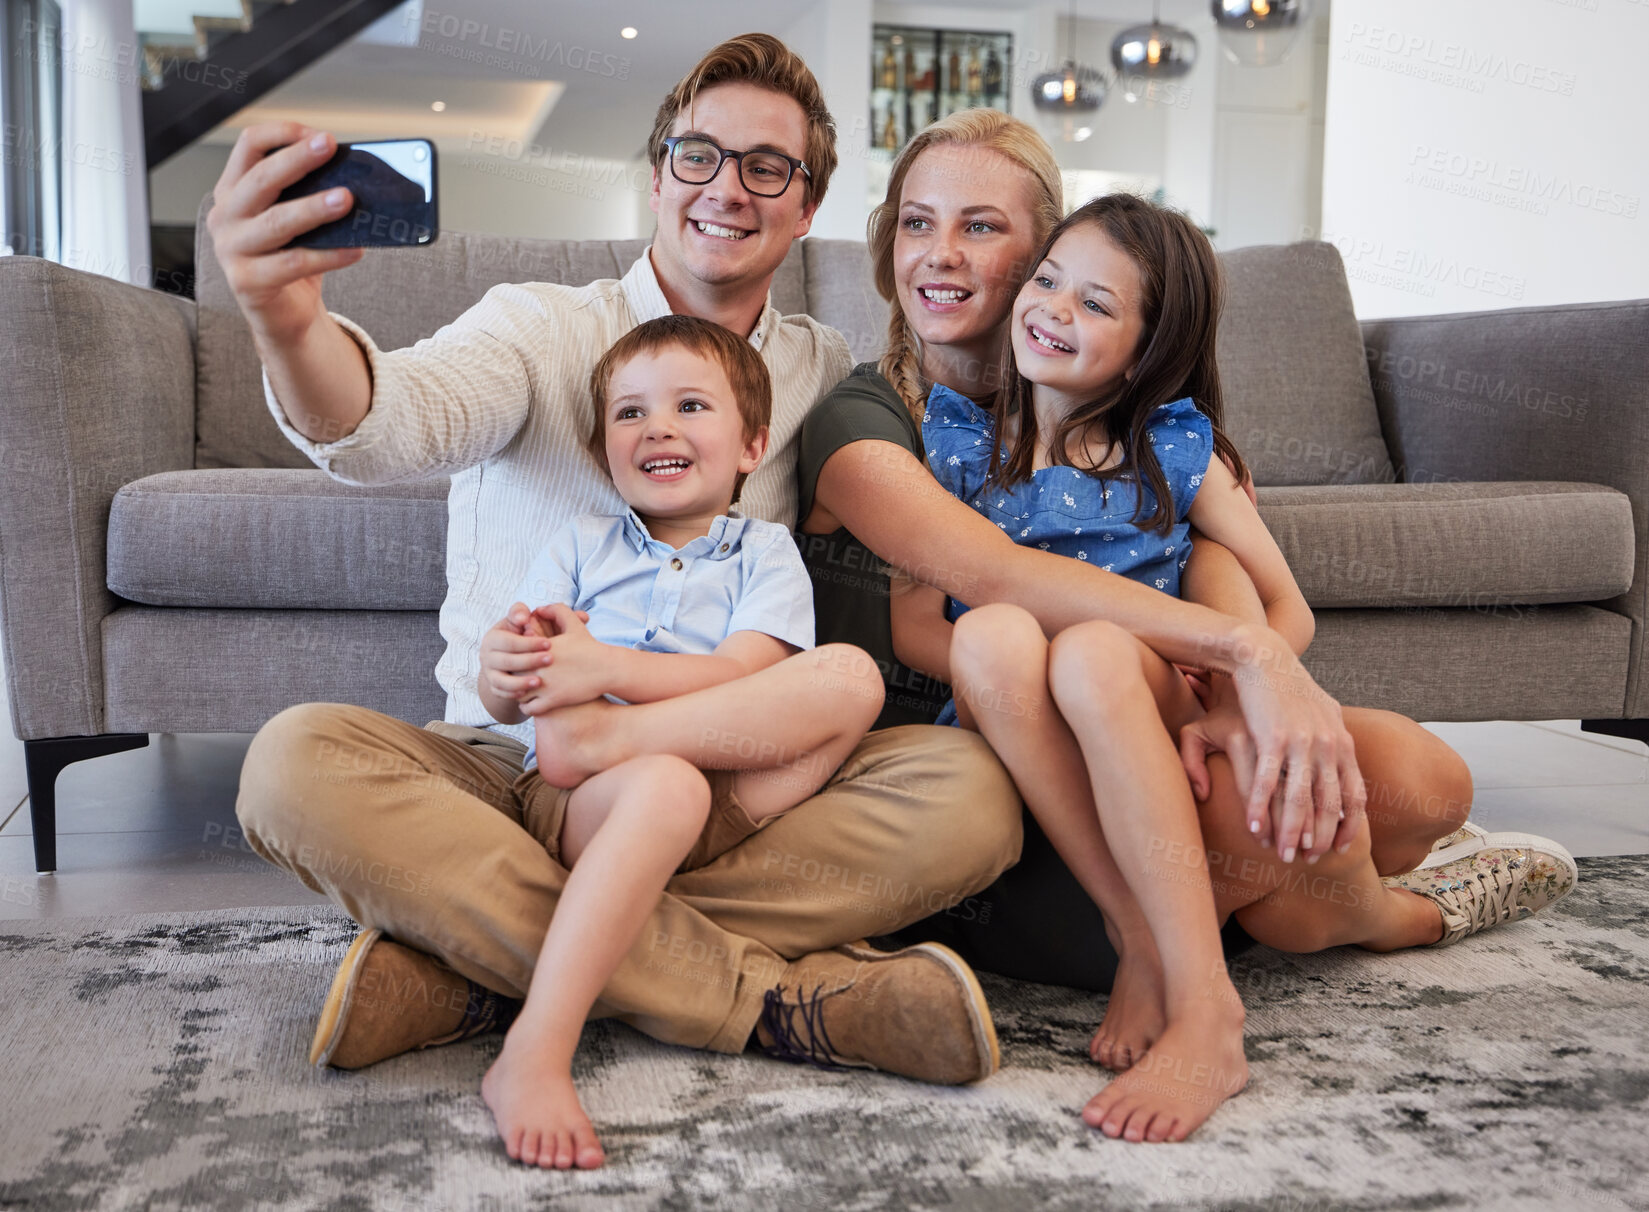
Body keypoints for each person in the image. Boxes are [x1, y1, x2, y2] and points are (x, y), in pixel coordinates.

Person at [225, 36, 1017, 1126]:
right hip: (510, 772)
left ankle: (470, 973)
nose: (724, 188)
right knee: (288, 765)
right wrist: (288, 322)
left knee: (970, 794)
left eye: (764, 167)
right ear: (655, 177)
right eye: (696, 155)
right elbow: (384, 425)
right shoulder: (537, 327)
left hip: (719, 773)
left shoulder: (819, 370)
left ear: (805, 207)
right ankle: (773, 1000)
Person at [794, 109, 1577, 1135]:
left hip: (1162, 727)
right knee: (1052, 652)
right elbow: (977, 580)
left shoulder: (1152, 432)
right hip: (1011, 789)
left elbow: (1215, 556)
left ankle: (1383, 912)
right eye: (914, 223)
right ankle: (1215, 967)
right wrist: (1238, 655)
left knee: (1417, 784)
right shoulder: (889, 425)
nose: (941, 254)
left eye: (983, 228)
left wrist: (1238, 678)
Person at [475, 315, 889, 1168]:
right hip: (594, 796)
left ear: (752, 446)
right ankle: (534, 1053)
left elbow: (747, 673)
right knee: (664, 783)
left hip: (727, 788)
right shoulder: (579, 545)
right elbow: (515, 699)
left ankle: (611, 745)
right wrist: (502, 667)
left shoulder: (763, 551)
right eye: (629, 415)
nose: (656, 427)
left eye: (689, 405)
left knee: (850, 675)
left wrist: (605, 676)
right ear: (602, 454)